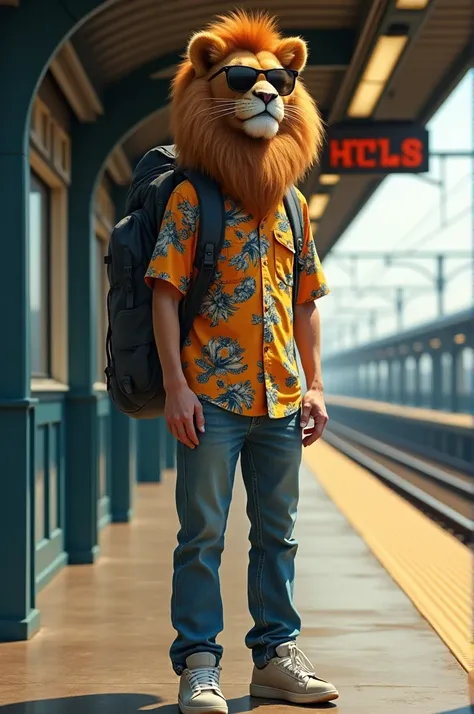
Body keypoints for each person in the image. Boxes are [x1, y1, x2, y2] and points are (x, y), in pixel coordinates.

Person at [145, 10, 339, 713]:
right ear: (207, 78)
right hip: (211, 397)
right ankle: (198, 663)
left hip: (283, 399)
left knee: (277, 534)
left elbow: (307, 301)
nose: (263, 91)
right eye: (243, 79)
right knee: (201, 534)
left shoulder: (291, 206)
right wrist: (174, 386)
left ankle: (276, 657)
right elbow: (165, 293)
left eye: (278, 80)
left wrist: (315, 385)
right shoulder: (194, 199)